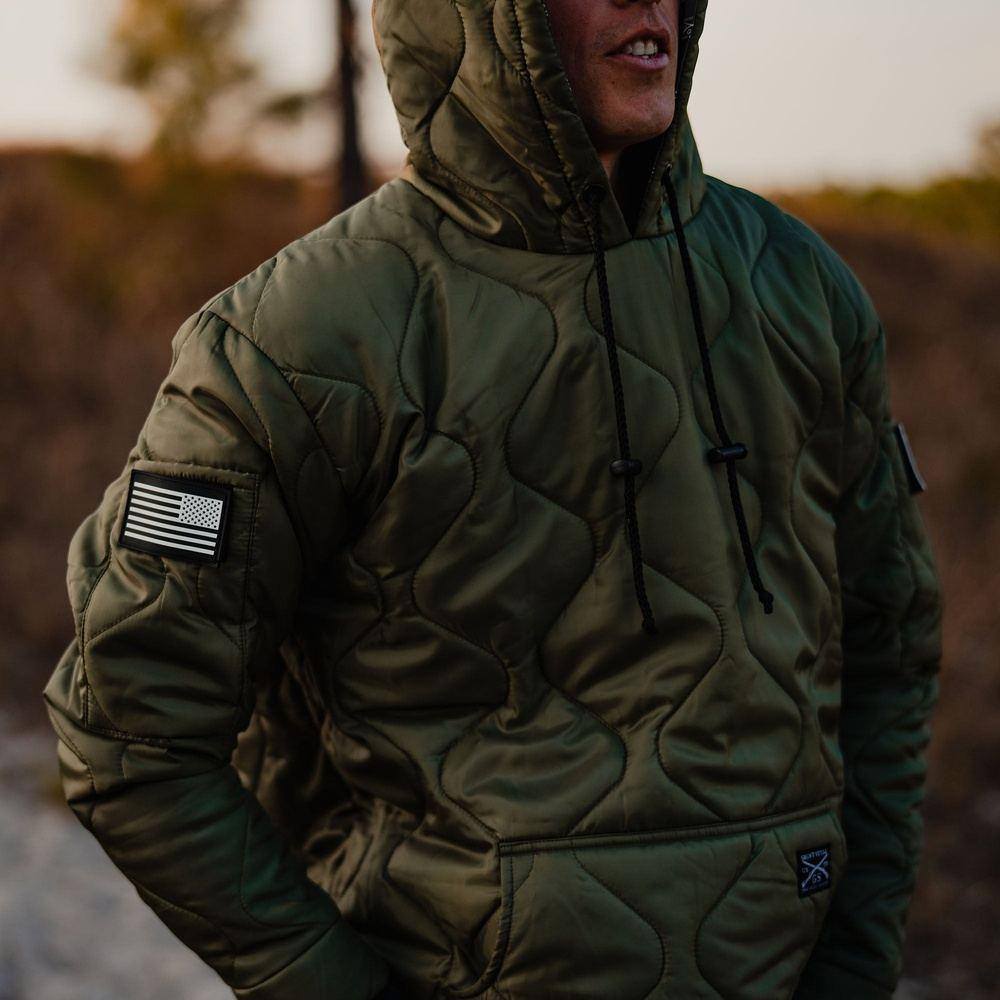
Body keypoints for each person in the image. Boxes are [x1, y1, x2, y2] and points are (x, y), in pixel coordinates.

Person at [42, 0, 944, 997]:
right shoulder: (297, 341)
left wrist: (854, 962)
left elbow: (891, 643)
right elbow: (131, 734)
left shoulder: (801, 291)